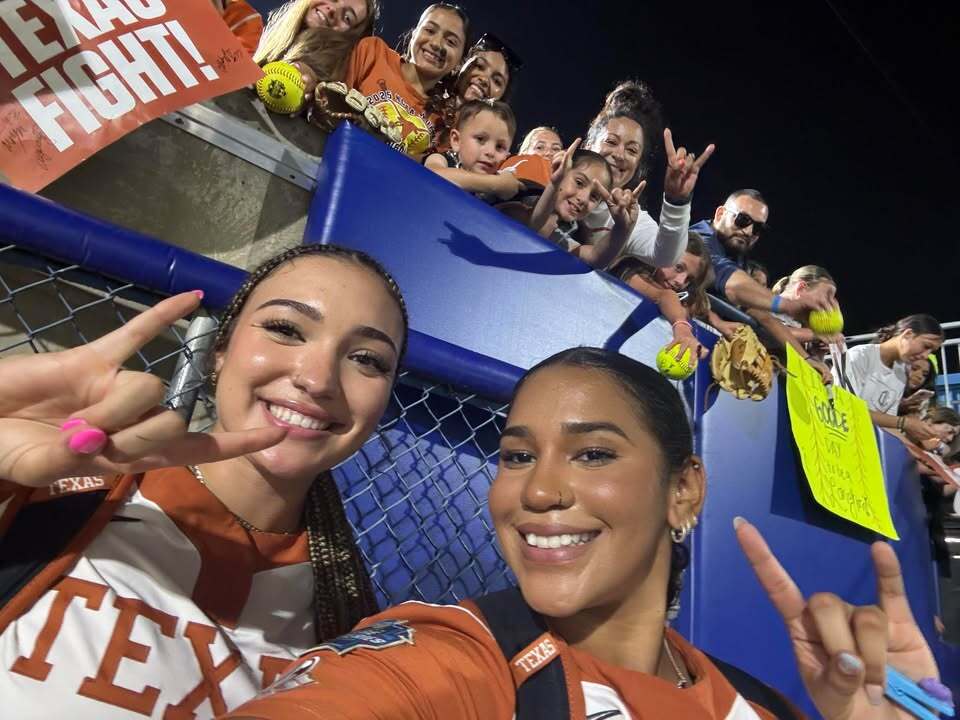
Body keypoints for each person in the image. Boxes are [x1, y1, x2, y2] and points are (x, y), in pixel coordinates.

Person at [226, 347, 942, 720]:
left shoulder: (761, 705)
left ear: (683, 488)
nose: (537, 490)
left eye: (593, 453)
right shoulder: (463, 663)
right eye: (516, 455)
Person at [0, 244, 409, 717]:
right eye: (285, 329)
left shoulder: (350, 622)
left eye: (367, 359)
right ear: (220, 351)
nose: (317, 380)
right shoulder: (66, 484)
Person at [574, 81, 716, 269]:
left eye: (632, 150)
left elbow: (665, 257)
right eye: (611, 142)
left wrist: (676, 201)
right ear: (588, 144)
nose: (619, 155)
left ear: (638, 166)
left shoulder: (631, 216)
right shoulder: (555, 174)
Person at [343, 3, 469, 156]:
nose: (436, 43)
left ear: (459, 61)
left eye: (451, 42)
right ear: (414, 33)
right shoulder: (374, 52)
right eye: (429, 30)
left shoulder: (445, 121)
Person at [691, 190, 835, 322]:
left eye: (758, 228)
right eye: (742, 219)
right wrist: (789, 305)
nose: (748, 231)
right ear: (720, 214)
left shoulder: (735, 252)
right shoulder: (697, 240)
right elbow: (729, 280)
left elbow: (760, 317)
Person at [834, 314, 948, 444]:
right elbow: (846, 410)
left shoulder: (900, 372)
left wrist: (919, 455)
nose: (925, 355)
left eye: (931, 351)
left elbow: (888, 425)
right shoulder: (859, 356)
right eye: (926, 346)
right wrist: (905, 423)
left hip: (865, 447)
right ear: (908, 334)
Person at [609, 231, 714, 362]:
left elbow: (699, 302)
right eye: (679, 268)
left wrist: (718, 323)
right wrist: (682, 327)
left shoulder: (680, 293)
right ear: (662, 252)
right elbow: (663, 296)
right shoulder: (629, 270)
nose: (681, 281)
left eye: (689, 279)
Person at [500, 139, 611, 249]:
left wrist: (622, 226)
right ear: (559, 171)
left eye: (594, 196)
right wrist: (554, 183)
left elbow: (595, 258)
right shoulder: (525, 196)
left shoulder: (579, 235)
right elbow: (533, 225)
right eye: (579, 183)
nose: (583, 199)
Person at [254, 0, 380, 92]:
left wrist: (313, 83)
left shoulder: (327, 84)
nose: (332, 10)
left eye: (347, 17)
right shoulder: (258, 35)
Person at [424, 100, 520, 200]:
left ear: (507, 156)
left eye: (499, 147)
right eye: (480, 139)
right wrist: (495, 183)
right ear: (456, 140)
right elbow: (432, 175)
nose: (490, 152)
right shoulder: (443, 159)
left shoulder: (500, 186)